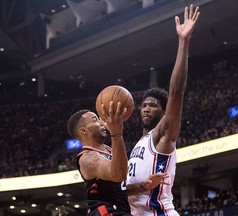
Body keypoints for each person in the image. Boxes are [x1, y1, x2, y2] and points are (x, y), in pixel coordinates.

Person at [126, 4, 200, 216]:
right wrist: (139, 187)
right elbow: (128, 191)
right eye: (145, 104)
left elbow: (176, 91)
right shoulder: (137, 147)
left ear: (164, 111)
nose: (147, 108)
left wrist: (183, 41)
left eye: (153, 105)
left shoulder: (163, 134)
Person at [67, 102, 131, 216]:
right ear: (83, 131)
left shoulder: (110, 150)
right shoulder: (87, 158)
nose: (102, 123)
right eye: (95, 120)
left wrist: (143, 186)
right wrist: (117, 133)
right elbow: (118, 174)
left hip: (121, 210)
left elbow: (119, 189)